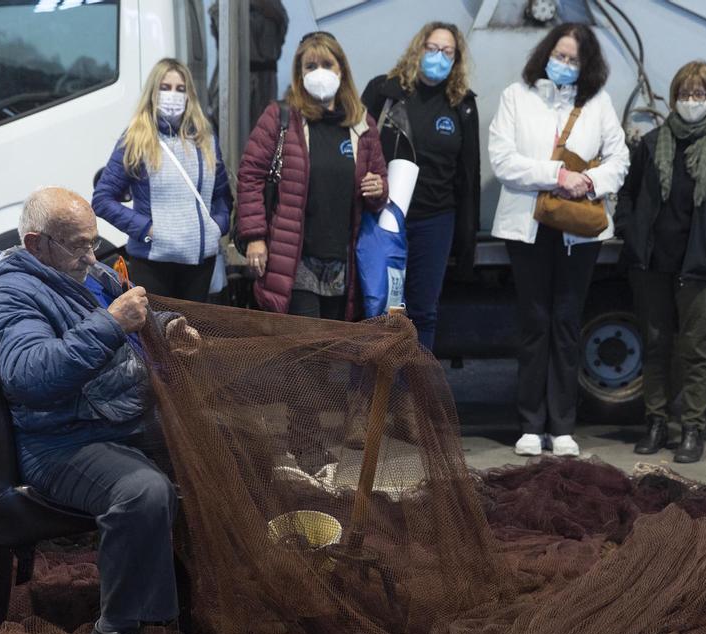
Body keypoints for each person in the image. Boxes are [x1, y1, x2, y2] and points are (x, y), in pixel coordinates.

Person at [0, 187, 199, 634]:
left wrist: (167, 327)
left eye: (93, 242)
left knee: (221, 446)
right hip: (59, 441)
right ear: (36, 243)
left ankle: (202, 593)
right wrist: (110, 324)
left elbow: (131, 318)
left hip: (116, 420)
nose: (90, 255)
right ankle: (116, 629)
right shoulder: (12, 293)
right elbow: (30, 377)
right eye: (78, 244)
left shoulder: (84, 272)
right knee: (143, 491)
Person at [488, 23, 629, 457]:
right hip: (527, 224)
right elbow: (503, 160)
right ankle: (530, 424)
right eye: (559, 55)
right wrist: (555, 175)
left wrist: (587, 180)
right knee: (534, 322)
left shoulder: (598, 103)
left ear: (587, 65)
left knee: (567, 323)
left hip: (578, 230)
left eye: (573, 59)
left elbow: (619, 158)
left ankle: (563, 425)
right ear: (545, 53)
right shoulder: (517, 96)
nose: (564, 64)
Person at [614, 61, 706, 464]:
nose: (691, 101)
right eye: (684, 94)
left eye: (699, 94)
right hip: (652, 265)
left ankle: (692, 429)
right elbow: (627, 194)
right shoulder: (653, 142)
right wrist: (631, 230)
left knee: (696, 349)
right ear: (673, 97)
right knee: (656, 345)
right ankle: (656, 422)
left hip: (698, 268)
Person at [236, 31, 388, 320]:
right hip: (295, 260)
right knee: (305, 350)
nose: (320, 73)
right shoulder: (280, 117)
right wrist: (255, 237)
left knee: (333, 353)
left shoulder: (361, 124)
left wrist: (379, 188)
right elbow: (250, 176)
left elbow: (379, 185)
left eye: (327, 65)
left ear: (341, 69)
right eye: (310, 66)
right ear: (299, 73)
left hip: (343, 264)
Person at [360, 21, 480, 350]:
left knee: (424, 311)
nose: (438, 57)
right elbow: (359, 150)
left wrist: (467, 240)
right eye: (432, 48)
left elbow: (468, 173)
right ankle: (377, 392)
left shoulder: (462, 104)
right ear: (419, 49)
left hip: (436, 219)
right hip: (384, 218)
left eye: (447, 52)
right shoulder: (383, 92)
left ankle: (415, 393)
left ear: (456, 60)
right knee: (379, 308)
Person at [93, 58, 232, 303]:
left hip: (199, 263)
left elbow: (222, 196)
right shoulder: (136, 138)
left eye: (180, 89)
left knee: (193, 336)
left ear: (190, 95)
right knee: (156, 337)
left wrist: (216, 227)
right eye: (165, 88)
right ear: (153, 92)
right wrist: (146, 230)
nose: (173, 95)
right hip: (152, 262)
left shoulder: (205, 140)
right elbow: (103, 199)